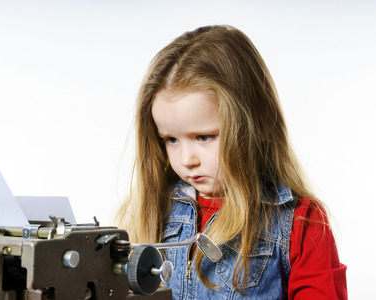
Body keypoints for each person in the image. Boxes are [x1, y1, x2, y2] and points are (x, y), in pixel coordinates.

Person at [116, 25, 347, 299]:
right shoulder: (154, 209)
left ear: (259, 124)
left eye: (204, 137)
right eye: (171, 140)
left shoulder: (300, 221)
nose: (186, 160)